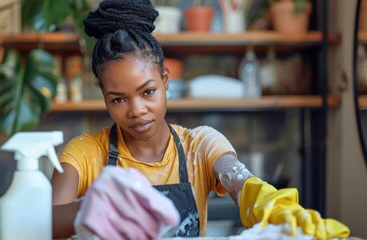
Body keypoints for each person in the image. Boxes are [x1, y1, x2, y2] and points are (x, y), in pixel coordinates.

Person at [51, 0, 350, 239]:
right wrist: (86, 209)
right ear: (103, 95)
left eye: (148, 91)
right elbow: (43, 223)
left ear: (166, 80)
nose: (136, 109)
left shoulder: (200, 145)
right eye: (118, 99)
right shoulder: (86, 153)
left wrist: (280, 211)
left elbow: (245, 186)